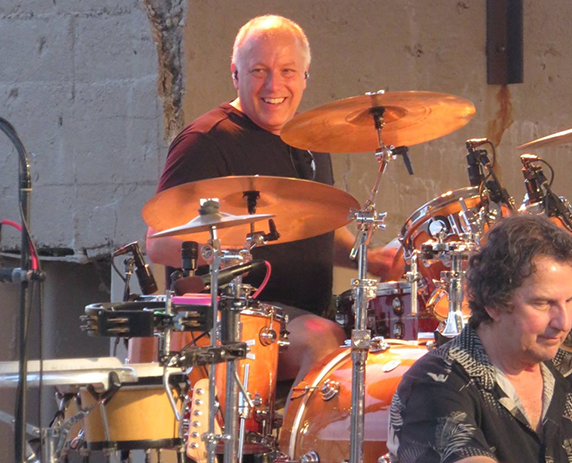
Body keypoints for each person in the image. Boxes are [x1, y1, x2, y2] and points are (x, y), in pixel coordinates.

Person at [146, 14, 401, 384]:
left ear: (305, 76)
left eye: (287, 71)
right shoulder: (207, 141)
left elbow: (313, 231)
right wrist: (229, 246)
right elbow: (158, 242)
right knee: (323, 338)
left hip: (305, 312)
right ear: (235, 73)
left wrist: (372, 259)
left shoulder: (310, 140)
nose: (274, 85)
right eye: (259, 71)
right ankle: (300, 443)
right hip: (231, 318)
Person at [388, 214, 572, 463]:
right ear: (493, 303)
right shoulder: (433, 383)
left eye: (570, 302)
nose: (564, 322)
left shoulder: (565, 372)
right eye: (543, 303)